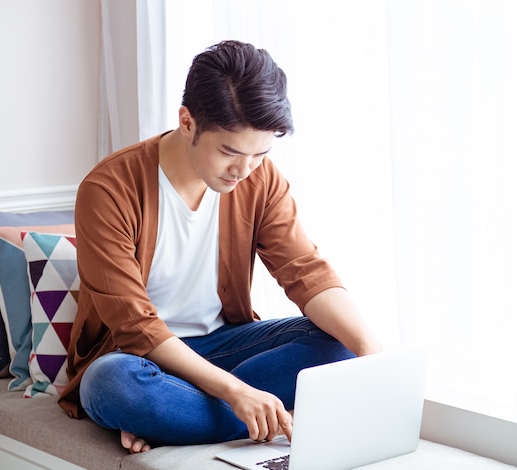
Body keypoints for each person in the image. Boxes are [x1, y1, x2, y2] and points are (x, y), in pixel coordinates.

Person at [58, 40, 382, 453]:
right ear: (187, 121)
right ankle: (260, 414)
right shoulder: (108, 190)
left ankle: (180, 419)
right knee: (112, 387)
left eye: (259, 154)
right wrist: (236, 392)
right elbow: (134, 327)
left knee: (340, 343)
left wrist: (373, 355)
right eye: (230, 152)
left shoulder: (261, 179)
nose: (244, 171)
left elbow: (305, 270)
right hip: (139, 359)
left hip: (226, 346)